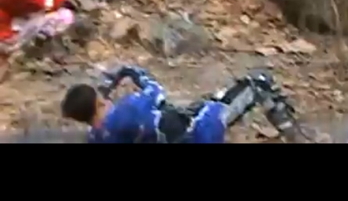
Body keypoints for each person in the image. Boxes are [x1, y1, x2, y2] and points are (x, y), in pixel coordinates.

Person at [61, 65, 296, 143]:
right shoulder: (128, 110)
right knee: (258, 83)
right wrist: (128, 71)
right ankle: (294, 135)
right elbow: (155, 90)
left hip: (176, 128)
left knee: (207, 101)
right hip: (199, 132)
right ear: (99, 103)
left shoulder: (95, 137)